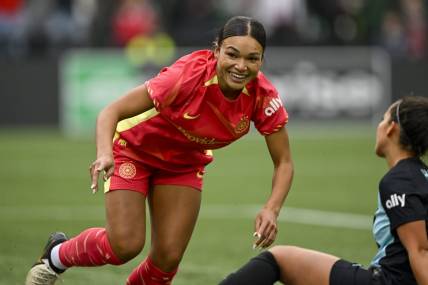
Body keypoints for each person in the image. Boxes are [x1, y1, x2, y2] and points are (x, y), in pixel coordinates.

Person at [25, 15, 294, 285]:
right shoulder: (186, 76)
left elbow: (284, 162)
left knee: (167, 259)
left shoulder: (263, 96)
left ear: (262, 60)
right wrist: (105, 153)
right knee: (125, 245)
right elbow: (111, 111)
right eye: (232, 55)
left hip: (184, 164)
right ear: (217, 51)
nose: (241, 66)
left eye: (252, 58)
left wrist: (272, 209)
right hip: (134, 150)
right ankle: (55, 256)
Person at [219, 95, 428, 285]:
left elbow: (420, 251)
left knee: (278, 259)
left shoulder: (400, 180)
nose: (379, 126)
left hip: (389, 281)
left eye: (383, 119)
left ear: (391, 128)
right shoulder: (420, 175)